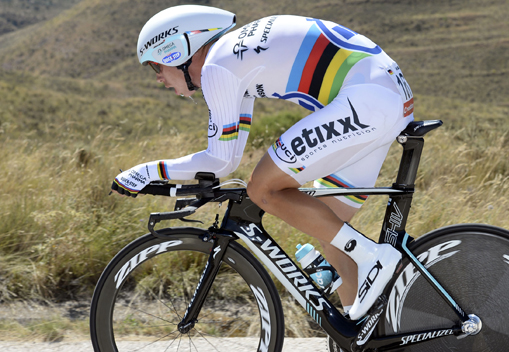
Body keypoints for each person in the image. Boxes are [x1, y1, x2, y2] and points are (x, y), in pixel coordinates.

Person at [112, 5, 414, 320]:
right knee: (331, 233)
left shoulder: (218, 67)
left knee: (263, 188)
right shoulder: (231, 60)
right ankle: (359, 331)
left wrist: (145, 172)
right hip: (383, 96)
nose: (159, 78)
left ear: (177, 52)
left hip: (370, 99)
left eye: (156, 67)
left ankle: (374, 258)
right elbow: (227, 157)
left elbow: (220, 161)